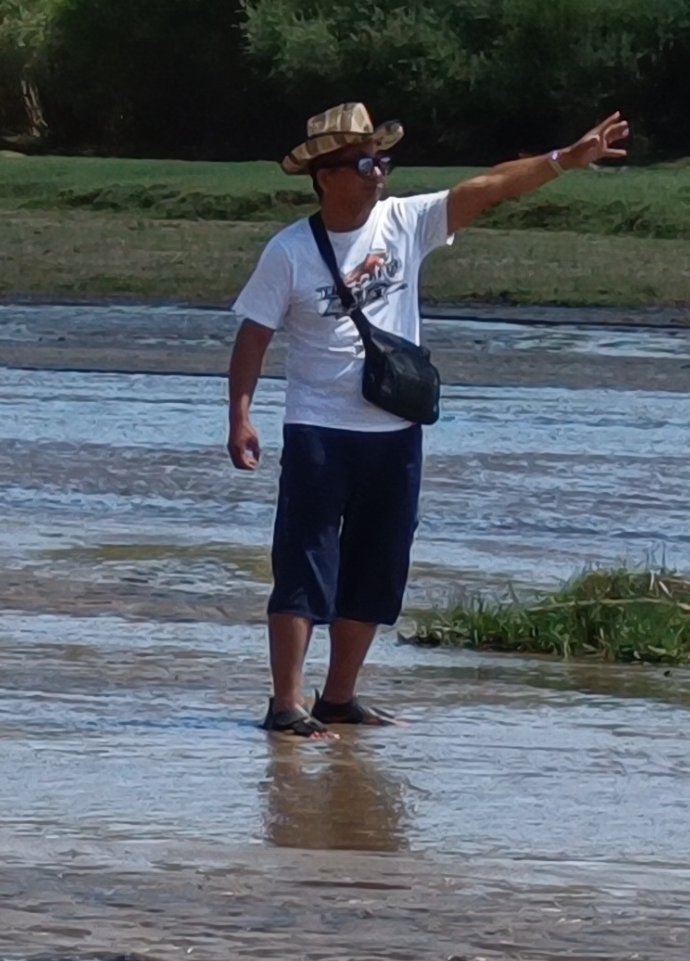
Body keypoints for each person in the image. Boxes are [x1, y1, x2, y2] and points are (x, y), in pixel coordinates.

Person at [228, 99, 630, 736]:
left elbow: (489, 187)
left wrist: (565, 160)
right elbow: (252, 338)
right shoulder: (290, 252)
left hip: (395, 430)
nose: (378, 172)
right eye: (363, 162)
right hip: (318, 432)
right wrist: (241, 418)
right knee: (304, 564)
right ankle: (286, 703)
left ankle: (339, 698)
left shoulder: (406, 222)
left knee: (379, 565)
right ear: (326, 176)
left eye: (381, 160)